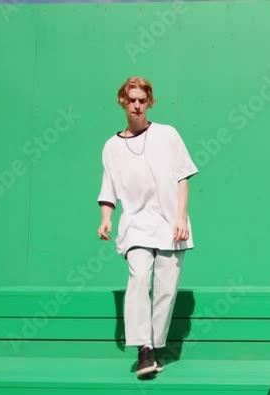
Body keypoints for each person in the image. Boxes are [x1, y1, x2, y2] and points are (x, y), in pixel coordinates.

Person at [97, 76, 198, 378]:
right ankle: (144, 349)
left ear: (149, 102)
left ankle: (153, 347)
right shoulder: (112, 146)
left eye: (142, 100)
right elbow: (108, 189)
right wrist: (106, 219)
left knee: (166, 289)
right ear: (123, 102)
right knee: (140, 276)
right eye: (132, 100)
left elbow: (182, 177)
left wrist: (181, 217)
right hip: (136, 224)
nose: (137, 105)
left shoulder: (167, 135)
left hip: (170, 224)